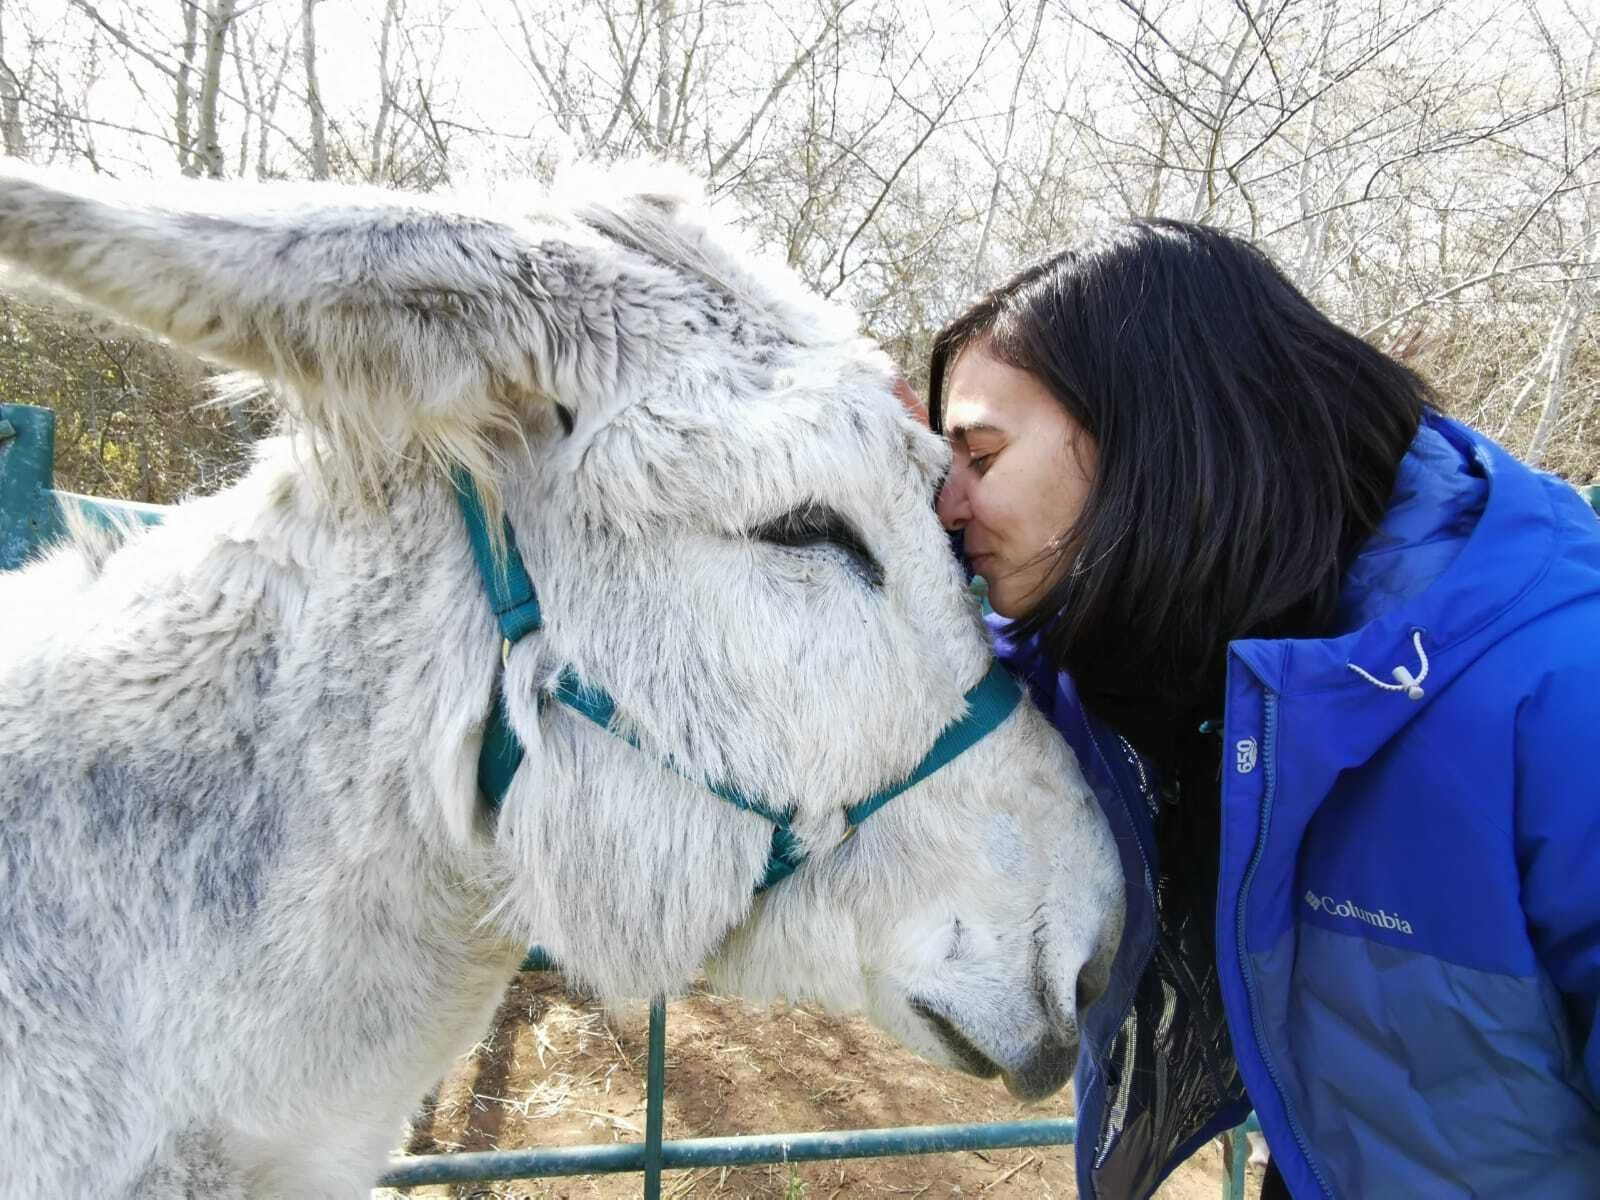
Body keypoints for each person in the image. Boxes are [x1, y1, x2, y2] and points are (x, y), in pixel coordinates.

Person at [924, 220, 1600, 1199]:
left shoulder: (1558, 685)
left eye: (978, 458)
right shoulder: (1187, 649)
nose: (947, 503)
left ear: (1152, 435)